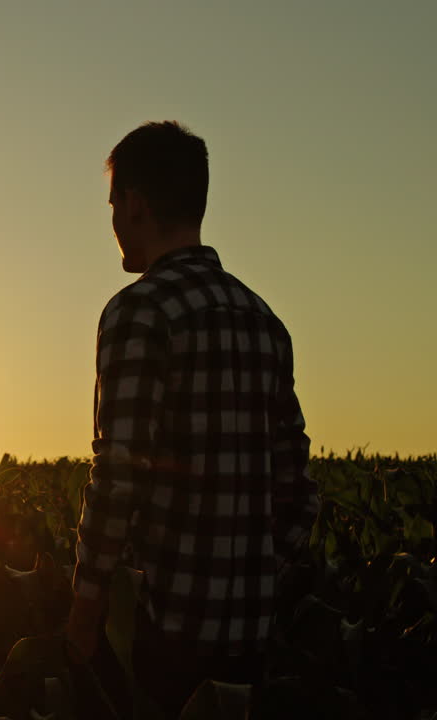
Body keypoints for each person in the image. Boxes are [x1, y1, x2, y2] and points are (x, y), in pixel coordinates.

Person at [64, 121, 320, 717]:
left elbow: (117, 472)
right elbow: (300, 488)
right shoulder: (265, 322)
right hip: (250, 639)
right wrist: (258, 574)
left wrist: (85, 605)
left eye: (113, 205)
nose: (112, 224)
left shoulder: (139, 313)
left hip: (164, 631)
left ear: (136, 203)